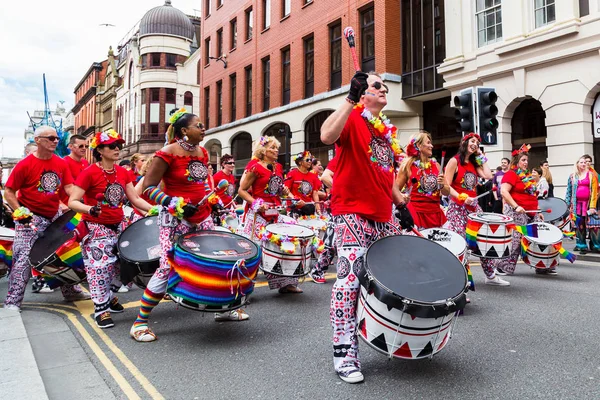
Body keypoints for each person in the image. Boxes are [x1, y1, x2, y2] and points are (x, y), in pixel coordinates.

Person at [320, 71, 410, 384]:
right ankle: (344, 352)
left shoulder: (386, 132)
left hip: (383, 215)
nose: (383, 89)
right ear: (363, 95)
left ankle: (391, 333)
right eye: (375, 86)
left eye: (384, 86)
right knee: (349, 281)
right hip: (351, 213)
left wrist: (402, 205)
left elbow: (384, 178)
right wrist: (349, 97)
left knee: (398, 275)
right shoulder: (354, 118)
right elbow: (326, 136)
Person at [129, 111, 246, 342]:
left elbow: (201, 184)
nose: (204, 129)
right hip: (175, 220)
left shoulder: (202, 152)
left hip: (202, 217)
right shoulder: (166, 153)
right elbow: (148, 188)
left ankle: (224, 309)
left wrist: (211, 202)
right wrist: (173, 203)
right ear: (184, 131)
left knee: (215, 260)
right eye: (199, 126)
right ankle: (140, 322)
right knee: (167, 266)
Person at [68, 130, 153, 328]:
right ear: (99, 150)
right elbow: (72, 201)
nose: (117, 149)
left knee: (126, 267)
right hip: (97, 227)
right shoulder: (88, 172)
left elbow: (135, 199)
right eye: (112, 146)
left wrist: (157, 209)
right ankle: (101, 309)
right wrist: (90, 208)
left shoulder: (122, 172)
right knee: (100, 270)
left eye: (118, 146)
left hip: (119, 226)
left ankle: (108, 297)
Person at [2, 126, 90, 312]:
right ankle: (13, 301)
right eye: (51, 138)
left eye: (57, 138)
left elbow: (68, 188)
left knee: (63, 253)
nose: (56, 141)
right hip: (30, 217)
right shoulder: (24, 165)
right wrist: (20, 211)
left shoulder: (60, 163)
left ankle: (71, 291)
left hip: (54, 215)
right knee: (23, 258)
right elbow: (9, 192)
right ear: (38, 140)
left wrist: (85, 199)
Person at [238, 136, 303, 293]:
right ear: (263, 150)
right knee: (254, 252)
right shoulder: (255, 168)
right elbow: (242, 190)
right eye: (272, 148)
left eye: (277, 147)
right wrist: (257, 205)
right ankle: (243, 288)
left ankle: (286, 283)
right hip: (258, 216)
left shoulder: (278, 167)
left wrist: (290, 196)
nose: (276, 150)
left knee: (287, 244)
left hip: (275, 213)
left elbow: (278, 189)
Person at [444, 133, 509, 286]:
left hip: (473, 208)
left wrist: (481, 155)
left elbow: (487, 175)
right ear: (464, 142)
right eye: (472, 141)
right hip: (457, 208)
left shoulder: (474, 163)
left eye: (477, 143)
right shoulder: (454, 161)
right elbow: (446, 186)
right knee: (461, 243)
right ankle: (461, 277)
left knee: (484, 240)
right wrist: (461, 197)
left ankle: (490, 276)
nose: (475, 144)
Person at [496, 145, 549, 274]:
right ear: (517, 162)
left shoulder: (527, 176)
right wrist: (516, 206)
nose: (526, 163)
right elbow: (504, 191)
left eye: (526, 160)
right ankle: (502, 266)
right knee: (516, 240)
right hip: (517, 211)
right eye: (523, 160)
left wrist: (538, 210)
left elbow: (532, 195)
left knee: (540, 236)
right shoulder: (511, 174)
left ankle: (541, 265)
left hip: (531, 211)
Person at [396, 132, 449, 229]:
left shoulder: (436, 165)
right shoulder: (407, 165)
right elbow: (395, 190)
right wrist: (402, 196)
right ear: (419, 145)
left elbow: (446, 191)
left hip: (435, 214)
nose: (432, 146)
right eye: (428, 143)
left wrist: (442, 185)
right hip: (416, 213)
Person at [309, 156, 337, 284]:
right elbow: (325, 177)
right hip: (340, 206)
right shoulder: (343, 156)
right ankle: (317, 270)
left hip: (365, 207)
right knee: (331, 243)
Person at [565, 155, 599, 254]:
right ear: (577, 164)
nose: (584, 164)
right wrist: (566, 204)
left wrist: (592, 206)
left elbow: (594, 191)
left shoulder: (592, 175)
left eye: (585, 162)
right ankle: (581, 245)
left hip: (588, 204)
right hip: (577, 205)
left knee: (593, 226)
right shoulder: (572, 176)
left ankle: (596, 245)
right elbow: (569, 191)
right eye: (581, 162)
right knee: (579, 225)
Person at [285, 151, 322, 216]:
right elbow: (286, 190)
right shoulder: (292, 174)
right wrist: (295, 200)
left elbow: (315, 193)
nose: (310, 161)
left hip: (308, 208)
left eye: (311, 160)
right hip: (294, 208)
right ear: (300, 162)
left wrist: (318, 210)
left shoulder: (313, 176)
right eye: (307, 160)